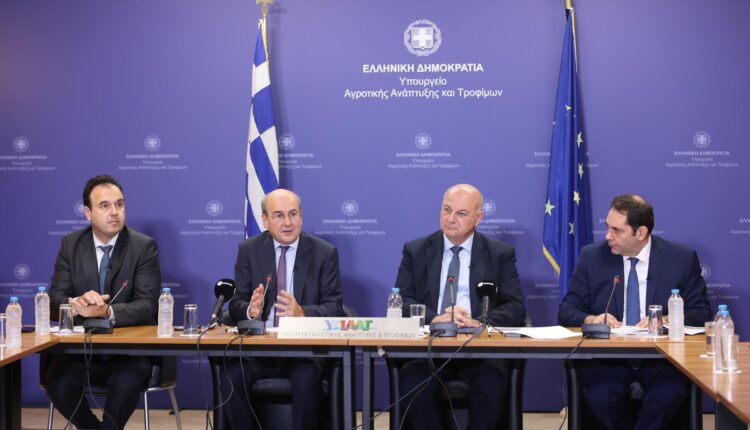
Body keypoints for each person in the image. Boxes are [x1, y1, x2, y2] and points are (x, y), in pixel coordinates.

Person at [559, 193, 712, 430]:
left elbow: (701, 313)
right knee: (602, 397)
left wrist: (663, 320)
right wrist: (593, 318)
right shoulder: (592, 256)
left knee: (667, 396)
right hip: (608, 360)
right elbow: (567, 310)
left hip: (663, 359)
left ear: (640, 232)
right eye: (607, 227)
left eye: (616, 230)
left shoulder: (680, 258)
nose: (607, 236)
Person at [395, 183, 526, 430]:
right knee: (412, 382)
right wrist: (435, 318)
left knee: (491, 383)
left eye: (461, 213)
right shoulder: (416, 250)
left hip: (480, 352)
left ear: (479, 218)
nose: (451, 218)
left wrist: (479, 322)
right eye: (446, 210)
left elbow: (515, 307)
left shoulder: (499, 254)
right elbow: (400, 302)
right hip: (429, 352)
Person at [222, 188, 344, 430]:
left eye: (293, 214)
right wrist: (250, 310)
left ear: (301, 216)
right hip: (258, 351)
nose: (288, 222)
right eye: (279, 215)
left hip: (303, 352)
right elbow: (235, 304)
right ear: (265, 220)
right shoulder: (249, 250)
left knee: (307, 378)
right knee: (232, 376)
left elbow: (335, 308)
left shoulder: (324, 253)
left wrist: (303, 314)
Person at [46, 174, 161, 429]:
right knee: (58, 383)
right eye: (105, 205)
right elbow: (54, 302)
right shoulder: (71, 245)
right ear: (88, 213)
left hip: (128, 354)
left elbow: (147, 306)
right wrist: (76, 304)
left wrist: (106, 312)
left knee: (126, 382)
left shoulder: (143, 247)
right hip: (81, 354)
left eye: (119, 204)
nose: (114, 212)